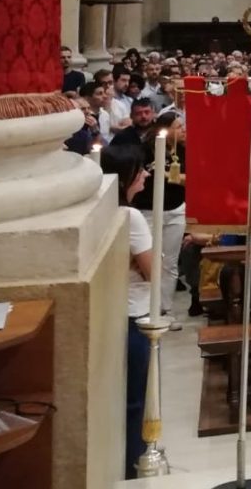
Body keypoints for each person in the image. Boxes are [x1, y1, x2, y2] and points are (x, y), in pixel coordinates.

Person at [101, 144, 155, 480]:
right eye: (141, 170)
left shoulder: (106, 211)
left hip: (116, 313)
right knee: (135, 403)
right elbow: (152, 270)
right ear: (126, 178)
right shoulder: (131, 216)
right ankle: (134, 470)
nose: (147, 174)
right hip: (135, 315)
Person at [132, 113, 187, 330]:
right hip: (149, 210)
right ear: (164, 129)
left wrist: (166, 175)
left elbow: (189, 178)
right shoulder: (145, 149)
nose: (182, 130)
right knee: (150, 260)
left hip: (175, 209)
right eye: (178, 126)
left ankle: (165, 309)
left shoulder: (182, 150)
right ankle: (148, 308)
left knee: (170, 263)